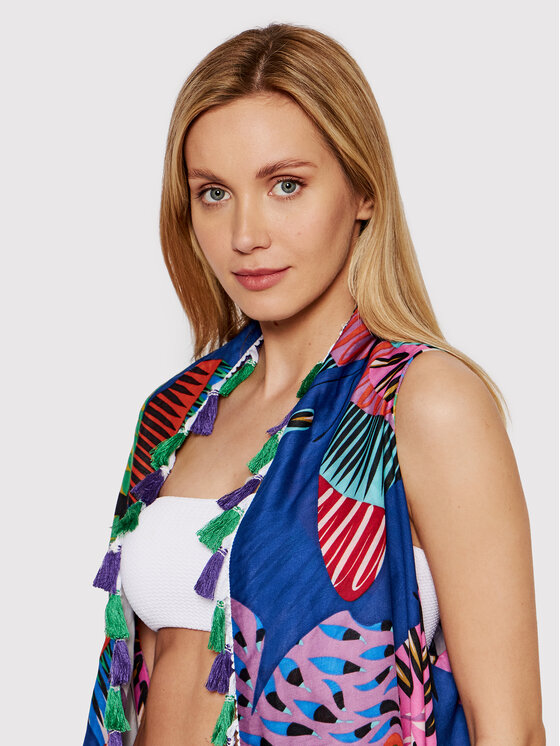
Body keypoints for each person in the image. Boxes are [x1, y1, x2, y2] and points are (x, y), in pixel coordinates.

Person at [83, 22, 545, 746]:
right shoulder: (176, 413)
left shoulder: (425, 402)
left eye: (286, 185)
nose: (246, 234)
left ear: (363, 191)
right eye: (214, 193)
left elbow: (511, 729)